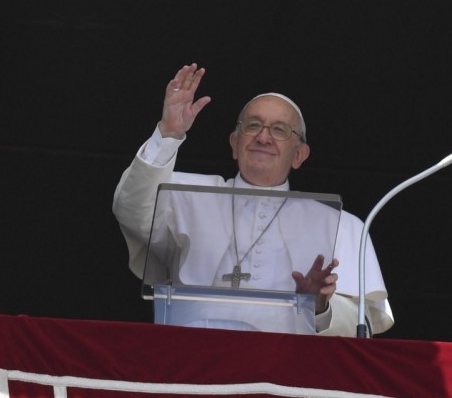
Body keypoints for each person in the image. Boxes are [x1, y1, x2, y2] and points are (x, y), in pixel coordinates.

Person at [113, 63, 393, 337]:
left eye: (280, 130)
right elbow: (131, 210)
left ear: (299, 155)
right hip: (192, 358)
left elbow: (361, 329)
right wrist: (168, 134)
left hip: (286, 370)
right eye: (253, 125)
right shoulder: (184, 193)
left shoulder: (341, 225)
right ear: (234, 144)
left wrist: (319, 306)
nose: (263, 137)